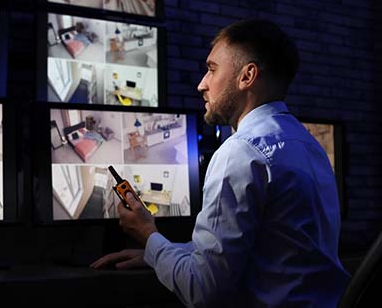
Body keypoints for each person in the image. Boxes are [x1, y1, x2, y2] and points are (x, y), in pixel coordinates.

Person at [91, 19, 350, 306]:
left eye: (212, 69)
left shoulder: (240, 153)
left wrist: (147, 234)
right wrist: (162, 252)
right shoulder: (308, 144)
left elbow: (201, 291)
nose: (202, 84)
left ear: (247, 76)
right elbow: (265, 246)